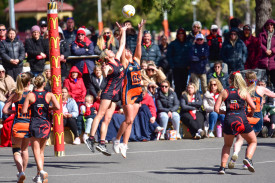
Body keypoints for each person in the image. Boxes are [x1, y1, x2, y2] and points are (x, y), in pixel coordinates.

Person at [85, 22, 127, 156]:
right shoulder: (108, 65)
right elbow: (105, 73)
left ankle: (102, 143)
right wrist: (104, 71)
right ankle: (91, 138)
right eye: (108, 51)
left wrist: (123, 31)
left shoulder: (117, 59)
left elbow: (122, 45)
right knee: (100, 115)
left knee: (108, 119)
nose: (110, 50)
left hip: (116, 94)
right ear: (106, 56)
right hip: (108, 92)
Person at [227, 71, 275, 170]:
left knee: (240, 139)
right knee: (251, 141)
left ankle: (235, 155)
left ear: (245, 79)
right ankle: (247, 161)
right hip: (257, 117)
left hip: (245, 117)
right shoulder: (261, 89)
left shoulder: (242, 90)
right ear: (255, 79)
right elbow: (273, 95)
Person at [112, 19, 146, 158]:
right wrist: (123, 31)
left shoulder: (136, 60)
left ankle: (125, 145)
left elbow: (138, 43)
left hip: (138, 92)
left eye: (127, 50)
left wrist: (140, 30)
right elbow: (122, 44)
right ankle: (116, 139)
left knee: (131, 120)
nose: (126, 50)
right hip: (128, 92)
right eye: (125, 50)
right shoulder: (125, 63)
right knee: (128, 119)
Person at [214, 72, 257, 174]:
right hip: (241, 119)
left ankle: (222, 168)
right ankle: (248, 158)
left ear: (230, 80)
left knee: (227, 145)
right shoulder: (243, 92)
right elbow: (254, 107)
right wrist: (251, 113)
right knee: (253, 141)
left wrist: (224, 112)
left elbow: (216, 109)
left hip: (229, 119)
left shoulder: (224, 92)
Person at [22, 75, 60, 183]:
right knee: (41, 151)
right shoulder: (49, 95)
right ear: (44, 84)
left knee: (35, 151)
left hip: (35, 123)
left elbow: (24, 111)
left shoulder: (30, 95)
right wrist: (47, 107)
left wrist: (32, 107)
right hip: (46, 123)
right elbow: (57, 107)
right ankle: (38, 176)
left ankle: (42, 171)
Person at [2, 72, 32, 183]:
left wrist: (14, 111)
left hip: (18, 123)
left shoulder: (16, 94)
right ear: (29, 82)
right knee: (25, 150)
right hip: (29, 123)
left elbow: (4, 110)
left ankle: (21, 172)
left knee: (16, 150)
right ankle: (23, 171)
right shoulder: (31, 94)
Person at [167, 28, 192, 98]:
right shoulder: (173, 44)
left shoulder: (188, 44)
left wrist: (189, 64)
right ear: (177, 35)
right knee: (177, 85)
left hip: (185, 67)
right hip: (176, 68)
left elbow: (191, 55)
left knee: (184, 84)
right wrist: (172, 65)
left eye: (182, 33)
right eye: (179, 33)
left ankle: (183, 100)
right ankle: (178, 100)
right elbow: (169, 55)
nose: (181, 35)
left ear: (184, 34)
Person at [258, 19, 275, 88]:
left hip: (273, 60)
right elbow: (259, 43)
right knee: (263, 81)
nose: (270, 26)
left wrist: (272, 51)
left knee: (274, 80)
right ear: (266, 26)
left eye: (271, 24)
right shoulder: (261, 35)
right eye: (268, 25)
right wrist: (266, 50)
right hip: (264, 60)